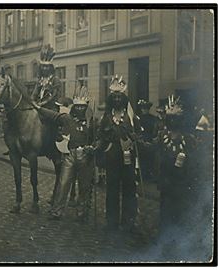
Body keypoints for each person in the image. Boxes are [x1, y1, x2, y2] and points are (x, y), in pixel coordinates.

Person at [32, 86, 95, 221]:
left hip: (85, 155)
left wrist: (93, 148)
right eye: (77, 107)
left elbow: (97, 139)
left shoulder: (91, 123)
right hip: (69, 156)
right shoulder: (67, 118)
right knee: (63, 183)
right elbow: (53, 115)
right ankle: (57, 211)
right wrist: (38, 108)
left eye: (82, 107)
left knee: (85, 186)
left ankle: (82, 213)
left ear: (86, 107)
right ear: (74, 107)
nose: (79, 109)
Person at [96, 75, 143, 233]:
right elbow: (101, 136)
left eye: (119, 96)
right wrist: (97, 149)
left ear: (124, 99)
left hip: (128, 158)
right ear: (111, 99)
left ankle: (129, 222)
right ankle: (111, 222)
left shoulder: (131, 117)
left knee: (130, 190)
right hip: (112, 158)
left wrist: (134, 139)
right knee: (112, 190)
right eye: (114, 97)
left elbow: (138, 134)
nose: (117, 99)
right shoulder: (106, 118)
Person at [155, 95, 199, 254]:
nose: (173, 121)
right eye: (170, 118)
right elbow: (154, 151)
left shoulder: (189, 138)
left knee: (180, 211)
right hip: (166, 180)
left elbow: (194, 160)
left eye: (176, 118)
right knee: (165, 210)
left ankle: (179, 239)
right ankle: (164, 239)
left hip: (181, 181)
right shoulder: (162, 136)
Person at [31, 44, 62, 112]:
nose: (44, 68)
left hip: (51, 108)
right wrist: (32, 101)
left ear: (50, 68)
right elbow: (35, 93)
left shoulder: (55, 80)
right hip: (39, 107)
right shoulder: (40, 80)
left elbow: (53, 96)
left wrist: (41, 104)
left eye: (46, 66)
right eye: (43, 66)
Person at [137, 100, 158, 182]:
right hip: (142, 141)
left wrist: (152, 140)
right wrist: (142, 141)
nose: (144, 110)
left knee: (150, 160)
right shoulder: (138, 119)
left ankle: (149, 176)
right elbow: (137, 131)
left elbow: (155, 130)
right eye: (143, 108)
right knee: (142, 160)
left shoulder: (153, 119)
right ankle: (143, 175)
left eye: (146, 108)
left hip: (150, 140)